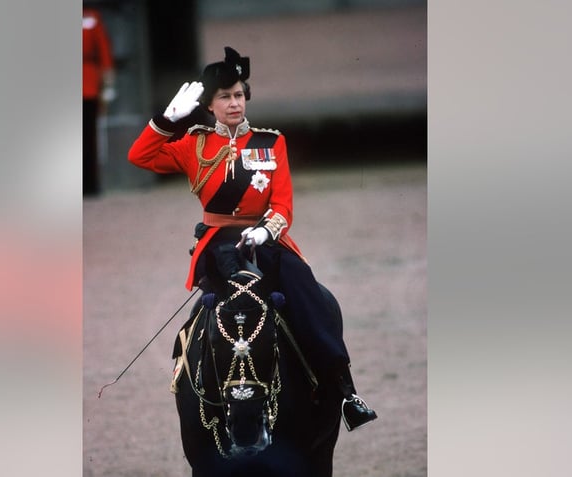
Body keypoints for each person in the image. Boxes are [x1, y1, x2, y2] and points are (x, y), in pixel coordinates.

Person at [127, 47, 377, 431]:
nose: (234, 103)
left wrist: (266, 229)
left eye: (239, 95)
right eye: (225, 96)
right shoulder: (194, 145)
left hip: (266, 244)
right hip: (216, 246)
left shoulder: (270, 143)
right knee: (202, 320)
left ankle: (345, 389)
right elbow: (139, 157)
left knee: (312, 301)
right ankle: (193, 390)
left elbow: (284, 204)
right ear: (210, 105)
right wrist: (164, 121)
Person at [82, 7, 116, 197]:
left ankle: (89, 184)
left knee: (88, 139)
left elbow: (103, 50)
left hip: (88, 84)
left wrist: (108, 83)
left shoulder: (92, 16)